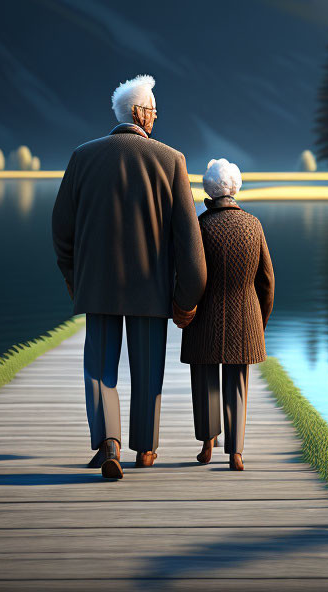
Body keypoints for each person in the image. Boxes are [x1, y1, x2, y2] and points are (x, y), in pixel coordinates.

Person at [51, 74, 206, 480]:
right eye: (153, 110)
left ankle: (109, 444)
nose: (156, 116)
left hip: (98, 287)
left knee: (99, 368)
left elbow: (61, 230)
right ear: (140, 113)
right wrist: (186, 297)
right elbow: (189, 242)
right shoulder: (171, 161)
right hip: (151, 290)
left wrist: (75, 279)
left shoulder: (83, 157)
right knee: (148, 368)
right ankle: (146, 449)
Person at [176, 158, 274, 471]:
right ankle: (236, 452)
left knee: (204, 379)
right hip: (245, 316)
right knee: (237, 383)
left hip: (204, 316)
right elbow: (267, 281)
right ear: (236, 188)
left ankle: (207, 443)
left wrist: (182, 306)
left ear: (208, 190)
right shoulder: (254, 225)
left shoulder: (199, 227)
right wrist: (262, 321)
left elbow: (189, 274)